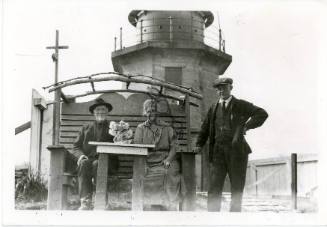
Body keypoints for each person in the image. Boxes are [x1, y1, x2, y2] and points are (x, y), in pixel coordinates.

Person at [194, 77, 268, 212]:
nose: (221, 91)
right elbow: (205, 128)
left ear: (231, 88)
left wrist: (246, 126)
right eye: (218, 88)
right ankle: (212, 219)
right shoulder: (213, 108)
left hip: (237, 152)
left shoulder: (241, 105)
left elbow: (262, 114)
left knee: (237, 188)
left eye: (224, 87)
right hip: (218, 153)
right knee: (214, 188)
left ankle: (234, 220)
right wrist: (199, 144)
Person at [133, 99, 185, 210]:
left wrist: (169, 159)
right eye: (148, 111)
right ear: (144, 112)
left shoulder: (167, 128)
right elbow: (137, 149)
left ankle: (168, 206)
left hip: (166, 159)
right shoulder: (140, 128)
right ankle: (153, 205)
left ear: (158, 112)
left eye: (154, 110)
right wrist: (144, 163)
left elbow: (174, 146)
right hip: (148, 160)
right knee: (145, 174)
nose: (151, 113)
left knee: (170, 172)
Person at [70, 98, 119, 210]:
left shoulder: (113, 128)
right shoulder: (86, 128)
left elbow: (119, 144)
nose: (100, 112)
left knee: (98, 164)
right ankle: (85, 201)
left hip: (108, 162)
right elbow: (76, 146)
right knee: (84, 163)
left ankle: (101, 201)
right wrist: (81, 156)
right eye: (98, 110)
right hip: (89, 160)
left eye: (103, 109)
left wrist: (118, 135)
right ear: (93, 113)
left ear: (107, 112)